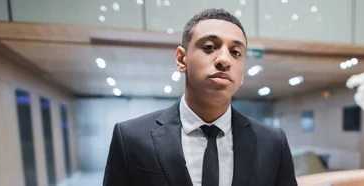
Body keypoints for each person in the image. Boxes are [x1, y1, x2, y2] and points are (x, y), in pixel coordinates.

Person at [102, 8, 298, 186]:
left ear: (242, 72)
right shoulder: (131, 138)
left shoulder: (273, 143)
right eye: (210, 47)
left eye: (235, 52)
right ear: (181, 58)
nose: (224, 60)